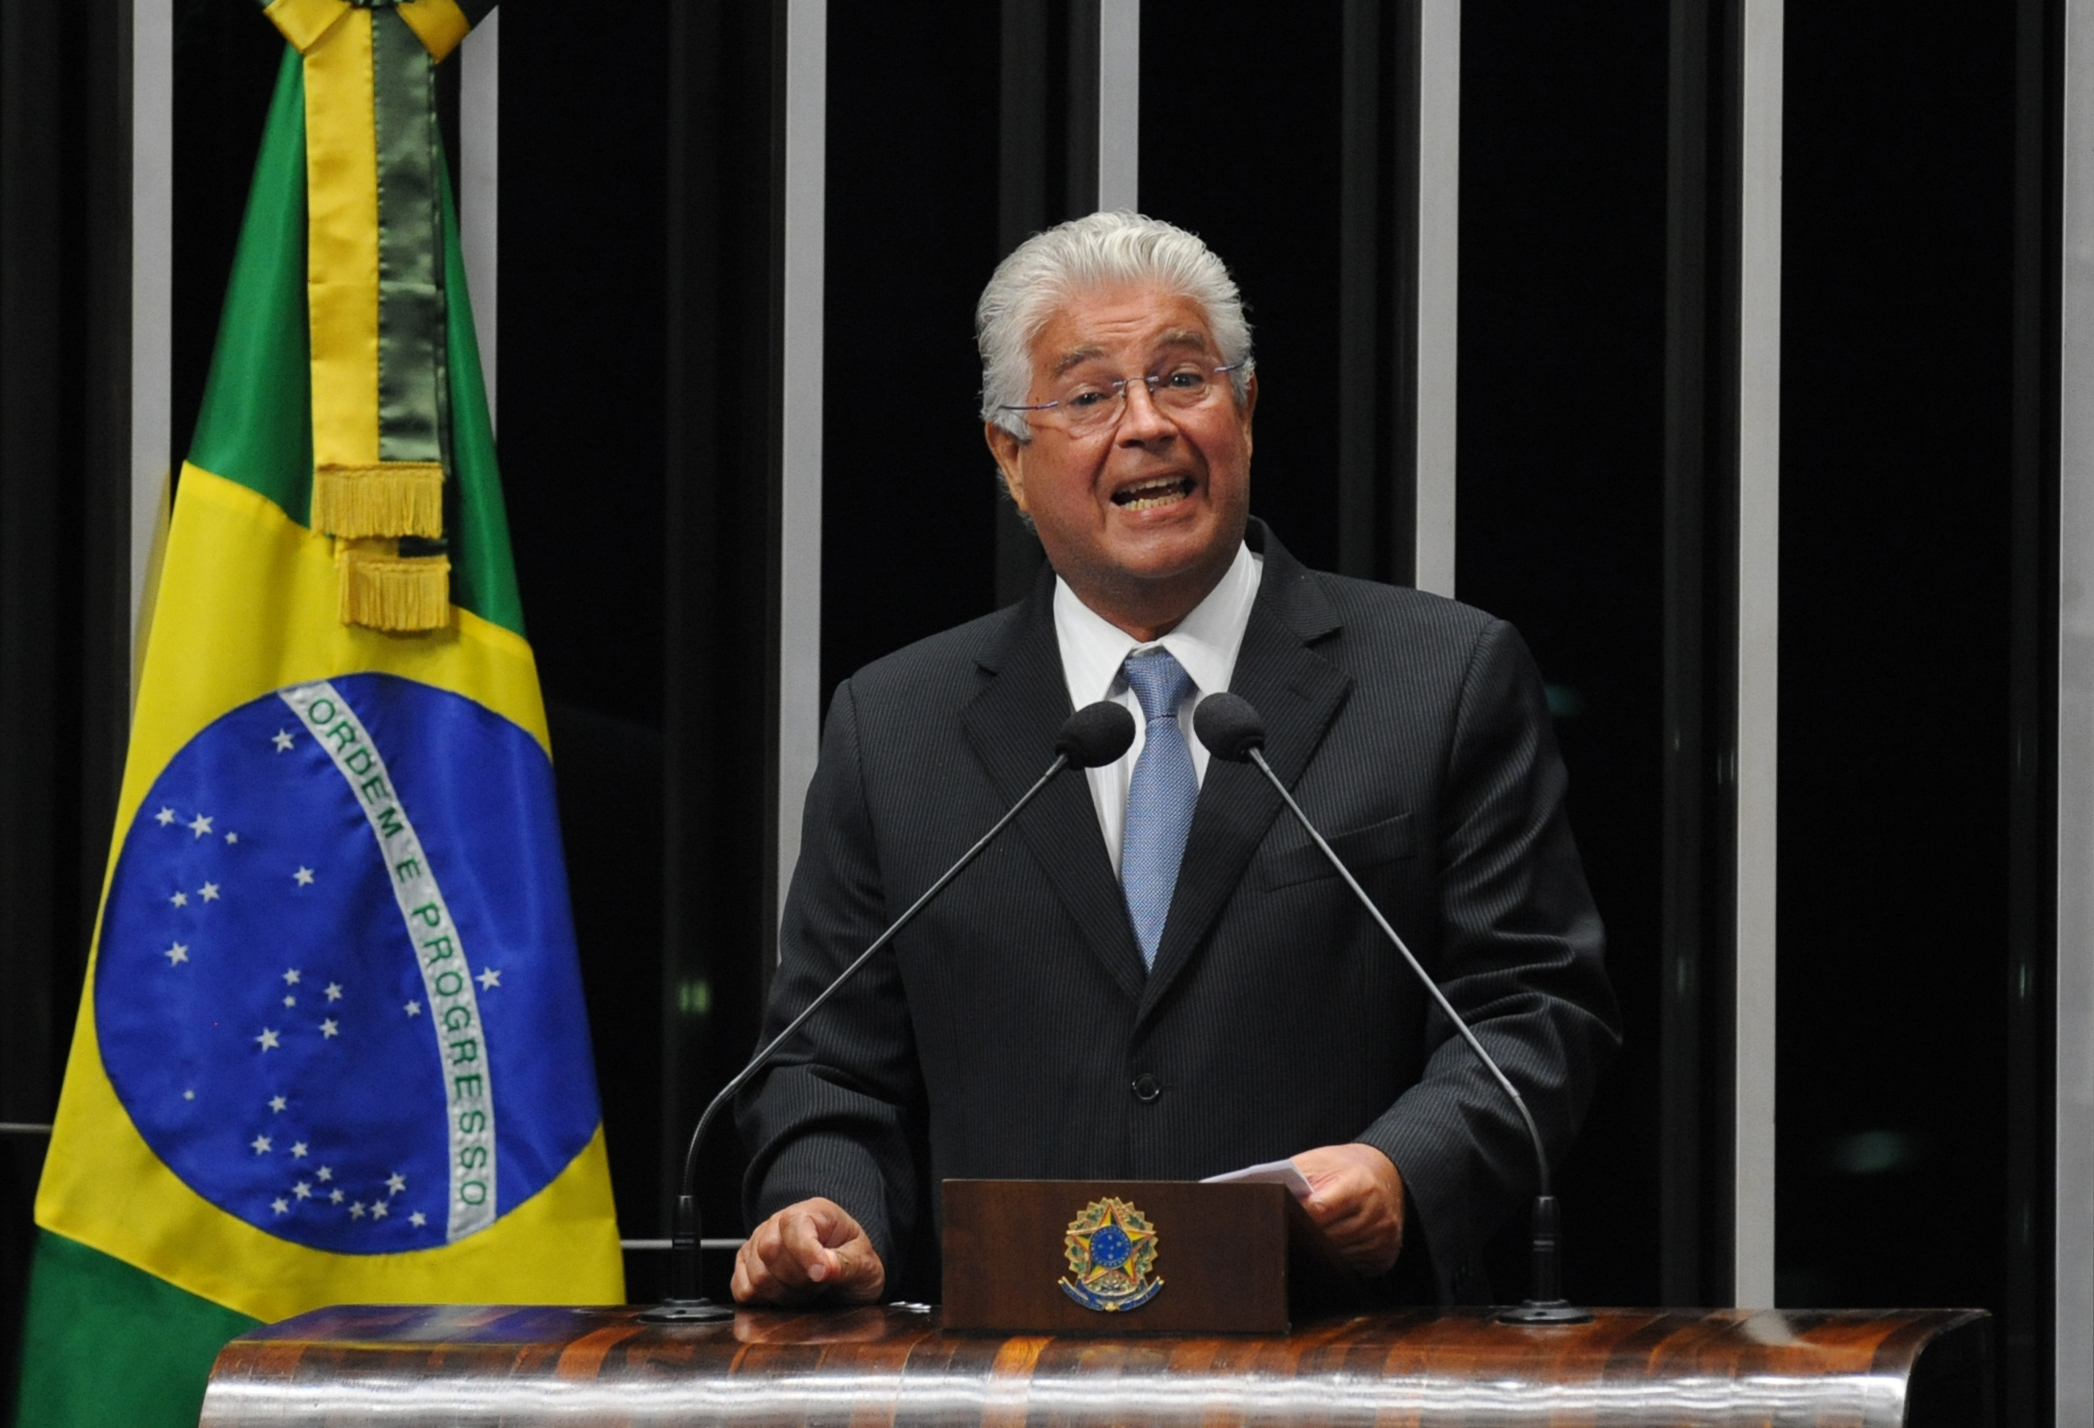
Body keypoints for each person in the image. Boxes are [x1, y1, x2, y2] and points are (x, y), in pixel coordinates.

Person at [731, 212, 1619, 1307]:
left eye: (1183, 377)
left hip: (1341, 1361)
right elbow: (827, 1067)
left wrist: (1406, 1164)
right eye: (1091, 394)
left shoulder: (1440, 679)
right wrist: (830, 1211)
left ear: (1244, 408)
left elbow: (1534, 1006)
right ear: (1009, 457)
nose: (1146, 426)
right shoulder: (896, 724)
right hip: (1009, 1377)